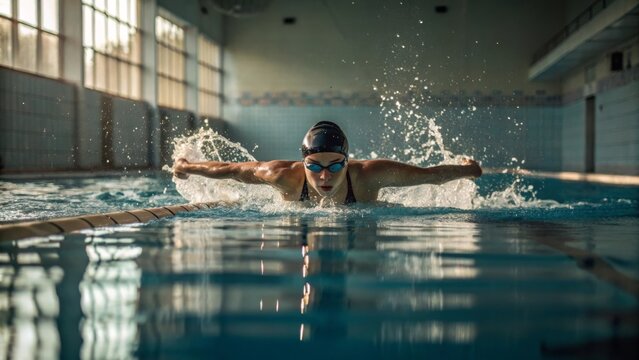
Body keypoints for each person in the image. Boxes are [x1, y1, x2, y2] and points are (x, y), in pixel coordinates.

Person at [173, 121, 482, 205]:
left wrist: (469, 170)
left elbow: (430, 176)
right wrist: (186, 167)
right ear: (302, 164)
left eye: (335, 166)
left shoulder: (370, 175)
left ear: (347, 163)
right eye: (314, 166)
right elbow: (230, 170)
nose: (324, 175)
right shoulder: (282, 176)